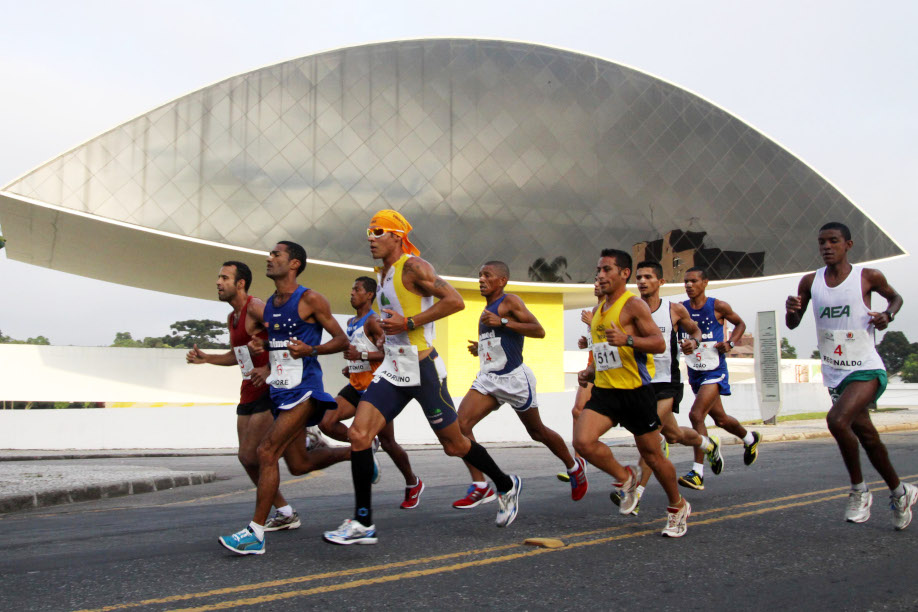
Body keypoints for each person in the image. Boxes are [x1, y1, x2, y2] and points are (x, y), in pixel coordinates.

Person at [323, 210, 521, 545]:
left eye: (378, 231)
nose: (370, 237)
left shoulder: (413, 266)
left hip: (422, 368)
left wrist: (409, 323)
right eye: (368, 231)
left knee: (455, 444)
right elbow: (394, 320)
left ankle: (505, 484)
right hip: (393, 368)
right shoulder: (382, 273)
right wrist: (387, 337)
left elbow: (455, 301)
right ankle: (362, 523)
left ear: (397, 236)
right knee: (359, 434)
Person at [218, 241, 352, 555]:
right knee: (298, 464)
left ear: (294, 264)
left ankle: (255, 533)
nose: (269, 258)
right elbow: (275, 345)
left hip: (305, 389)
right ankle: (355, 453)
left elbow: (341, 339)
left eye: (276, 254)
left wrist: (312, 350)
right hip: (281, 391)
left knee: (265, 452)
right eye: (270, 254)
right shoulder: (273, 304)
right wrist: (263, 353)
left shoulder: (310, 299)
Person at [786, 221, 916, 529]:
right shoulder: (809, 282)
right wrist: (791, 309)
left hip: (866, 368)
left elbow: (895, 298)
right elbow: (793, 324)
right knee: (868, 438)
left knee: (837, 421)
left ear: (848, 245)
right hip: (835, 373)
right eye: (822, 242)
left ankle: (859, 490)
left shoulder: (867, 277)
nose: (827, 247)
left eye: (833, 241)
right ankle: (901, 492)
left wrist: (887, 315)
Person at [575, 249, 690, 537]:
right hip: (606, 391)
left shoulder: (633, 305)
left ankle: (678, 506)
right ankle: (625, 477)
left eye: (607, 270)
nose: (600, 275)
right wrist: (591, 372)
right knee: (583, 441)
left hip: (635, 392)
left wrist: (627, 339)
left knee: (653, 456)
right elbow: (606, 353)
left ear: (624, 274)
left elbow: (658, 343)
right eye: (598, 269)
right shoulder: (600, 311)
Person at [454, 261, 586, 508]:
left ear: (502, 280)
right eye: (480, 275)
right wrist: (481, 348)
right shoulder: (487, 311)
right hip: (489, 379)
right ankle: (481, 485)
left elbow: (538, 330)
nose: (481, 279)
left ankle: (573, 466)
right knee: (460, 425)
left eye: (487, 275)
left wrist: (503, 323)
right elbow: (501, 343)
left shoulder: (509, 302)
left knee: (537, 432)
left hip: (514, 379)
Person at [187, 261, 304, 531]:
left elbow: (288, 333)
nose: (218, 282)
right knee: (246, 458)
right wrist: (207, 358)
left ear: (240, 283)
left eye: (224, 278)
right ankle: (285, 511)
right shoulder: (232, 318)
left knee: (259, 455)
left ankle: (264, 523)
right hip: (248, 389)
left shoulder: (255, 307)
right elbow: (238, 355)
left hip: (269, 387)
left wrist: (269, 367)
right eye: (218, 277)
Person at [614, 261, 722, 514]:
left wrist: (692, 344)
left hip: (666, 383)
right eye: (639, 277)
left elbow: (695, 332)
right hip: (640, 382)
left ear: (660, 282)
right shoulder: (628, 310)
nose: (642, 281)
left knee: (651, 434)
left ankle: (635, 492)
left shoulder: (673, 310)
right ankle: (708, 444)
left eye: (648, 277)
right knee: (673, 435)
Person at [319, 276, 424, 509]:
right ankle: (368, 443)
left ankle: (412, 482)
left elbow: (391, 353)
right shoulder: (350, 322)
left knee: (389, 442)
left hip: (377, 389)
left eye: (357, 289)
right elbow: (361, 353)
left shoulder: (374, 321)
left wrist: (362, 357)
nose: (352, 293)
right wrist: (354, 366)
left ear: (369, 295)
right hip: (356, 387)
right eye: (351, 289)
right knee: (326, 421)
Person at [678, 267, 760, 491]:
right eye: (686, 281)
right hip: (695, 370)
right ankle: (750, 439)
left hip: (715, 370)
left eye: (693, 281)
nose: (689, 285)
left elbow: (740, 324)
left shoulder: (718, 306)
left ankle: (697, 472)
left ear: (705, 282)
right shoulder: (680, 309)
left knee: (696, 415)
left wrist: (731, 343)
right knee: (721, 420)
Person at [558, 281, 602, 484]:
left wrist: (593, 323)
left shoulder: (617, 308)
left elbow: (617, 337)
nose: (596, 284)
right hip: (593, 368)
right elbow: (599, 340)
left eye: (600, 281)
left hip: (614, 372)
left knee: (631, 419)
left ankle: (658, 437)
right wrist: (587, 341)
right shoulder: (594, 310)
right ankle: (579, 463)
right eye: (596, 280)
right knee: (577, 411)